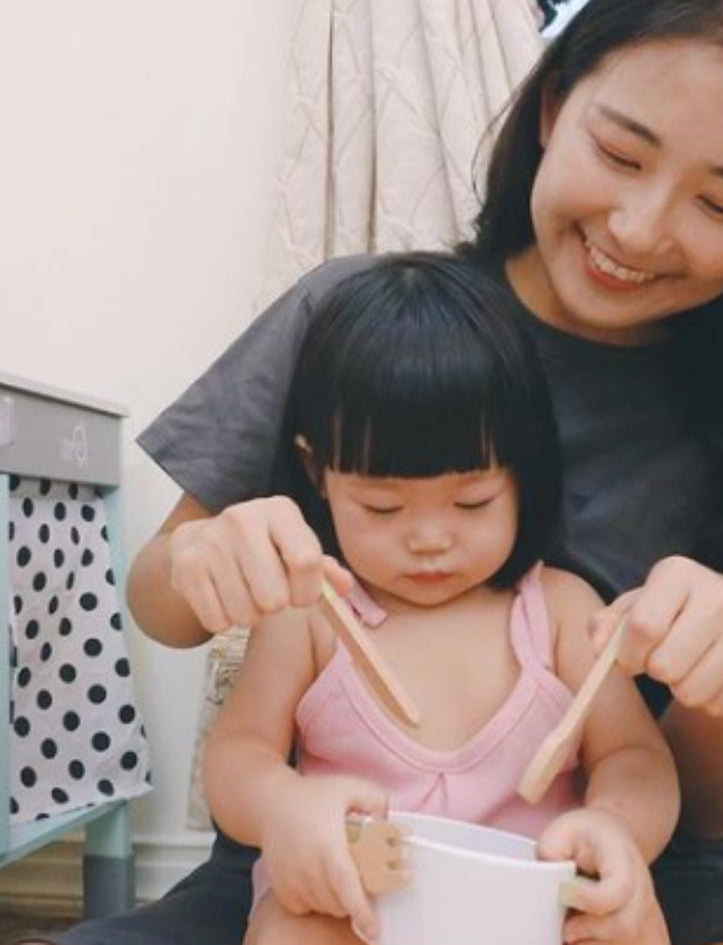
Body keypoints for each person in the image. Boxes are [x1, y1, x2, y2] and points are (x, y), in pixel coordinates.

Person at [48, 0, 723, 945]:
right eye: (620, 153)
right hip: (336, 859)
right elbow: (163, 605)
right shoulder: (356, 318)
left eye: (722, 203)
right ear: (555, 105)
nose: (643, 229)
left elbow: (708, 805)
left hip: (616, 867)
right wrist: (203, 564)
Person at [203, 252, 678, 945]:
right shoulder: (311, 613)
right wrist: (284, 808)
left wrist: (615, 827)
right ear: (319, 474)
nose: (429, 539)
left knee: (633, 922)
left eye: (472, 500)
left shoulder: (561, 609)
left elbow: (636, 759)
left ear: (524, 472)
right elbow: (238, 755)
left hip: (532, 910)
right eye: (383, 508)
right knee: (291, 926)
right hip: (357, 903)